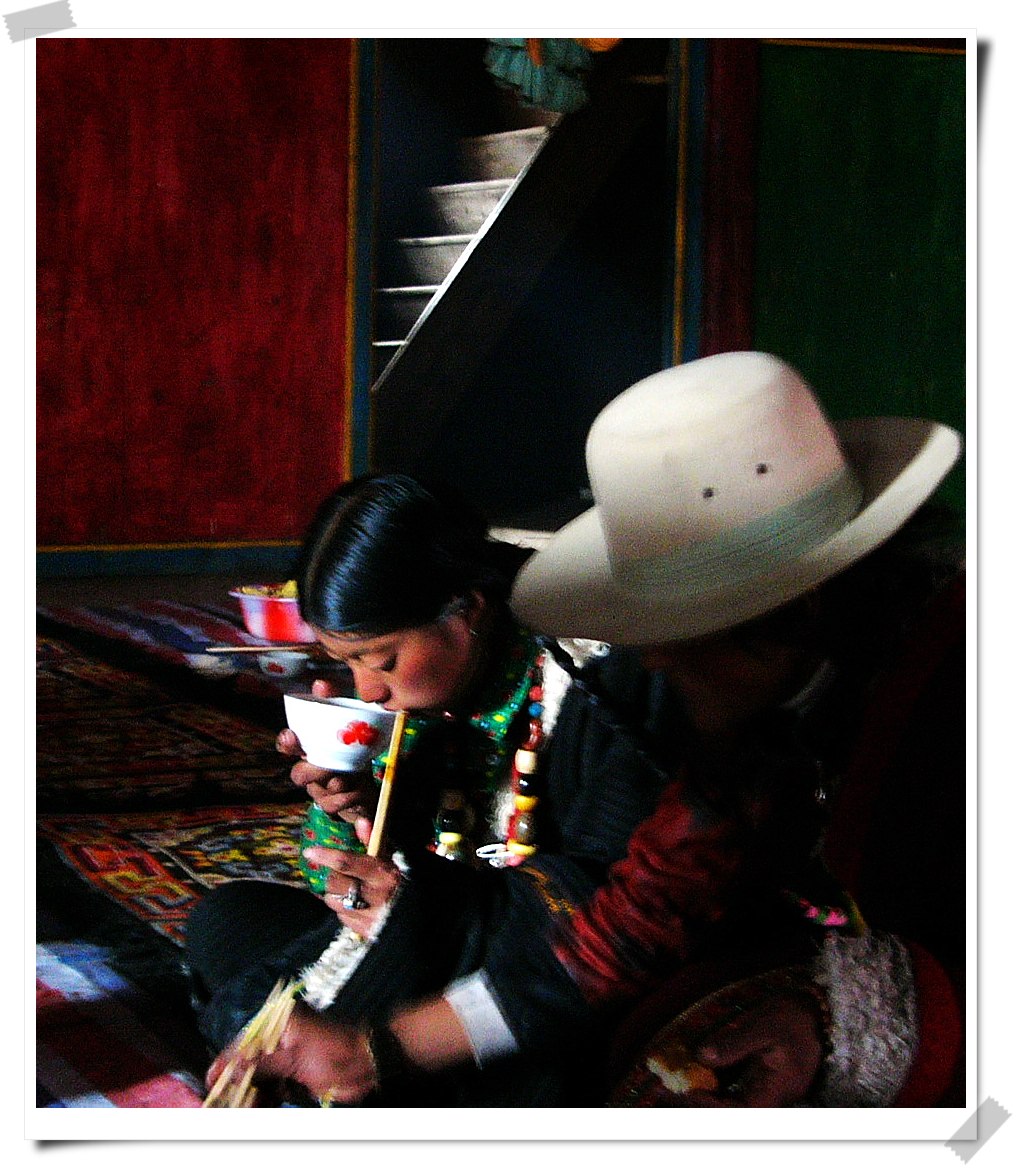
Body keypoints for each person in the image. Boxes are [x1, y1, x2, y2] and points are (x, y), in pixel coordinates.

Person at [188, 353, 965, 1107]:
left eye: (682, 629)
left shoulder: (952, 704)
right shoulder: (737, 733)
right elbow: (630, 929)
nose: (651, 657)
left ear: (791, 609)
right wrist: (378, 1051)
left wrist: (828, 1015)